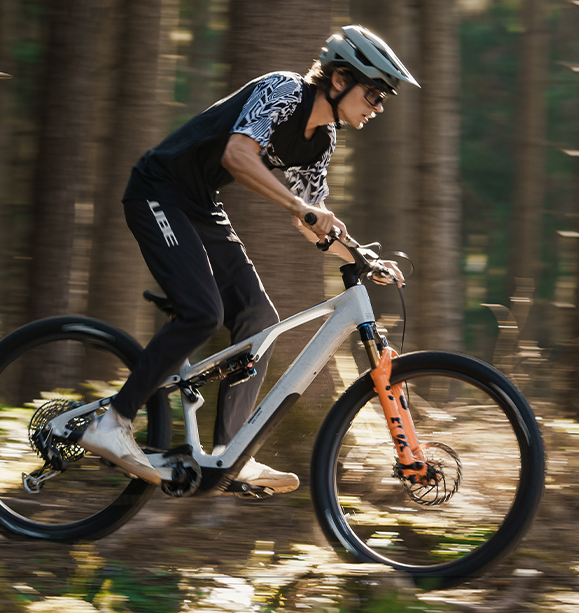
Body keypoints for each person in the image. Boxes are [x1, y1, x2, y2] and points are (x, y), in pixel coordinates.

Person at [80, 25, 420, 492]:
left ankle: (232, 453)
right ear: (340, 79)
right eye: (374, 94)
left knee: (259, 320)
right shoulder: (284, 90)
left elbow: (312, 219)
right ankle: (112, 422)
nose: (377, 107)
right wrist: (301, 207)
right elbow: (238, 155)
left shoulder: (322, 140)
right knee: (203, 313)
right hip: (158, 191)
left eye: (383, 100)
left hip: (200, 205)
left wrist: (361, 256)